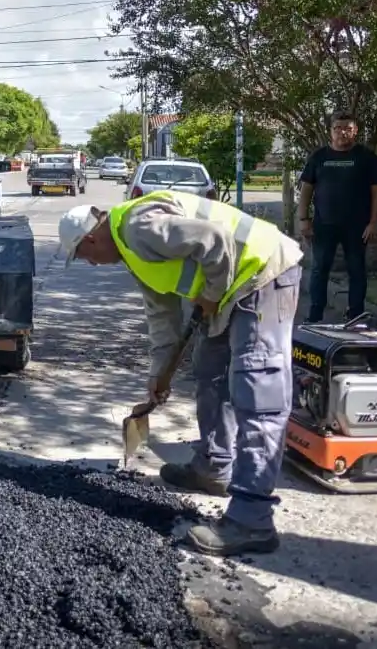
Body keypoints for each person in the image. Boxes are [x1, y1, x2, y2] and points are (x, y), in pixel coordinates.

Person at [59, 189, 304, 556]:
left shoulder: (139, 227)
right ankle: (214, 467)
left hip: (261, 273)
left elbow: (215, 240)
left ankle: (252, 520)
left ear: (91, 238)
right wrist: (158, 376)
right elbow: (163, 320)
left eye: (83, 255)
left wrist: (211, 291)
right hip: (229, 290)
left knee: (257, 392)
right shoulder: (131, 255)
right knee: (210, 372)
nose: (89, 264)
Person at [297, 111, 377, 322]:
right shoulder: (319, 157)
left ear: (355, 132)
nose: (342, 133)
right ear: (331, 131)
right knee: (319, 269)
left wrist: (374, 222)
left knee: (356, 270)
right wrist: (303, 219)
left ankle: (356, 314)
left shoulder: (366, 158)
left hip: (357, 227)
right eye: (337, 128)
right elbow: (306, 189)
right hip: (324, 225)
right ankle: (315, 314)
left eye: (347, 129)